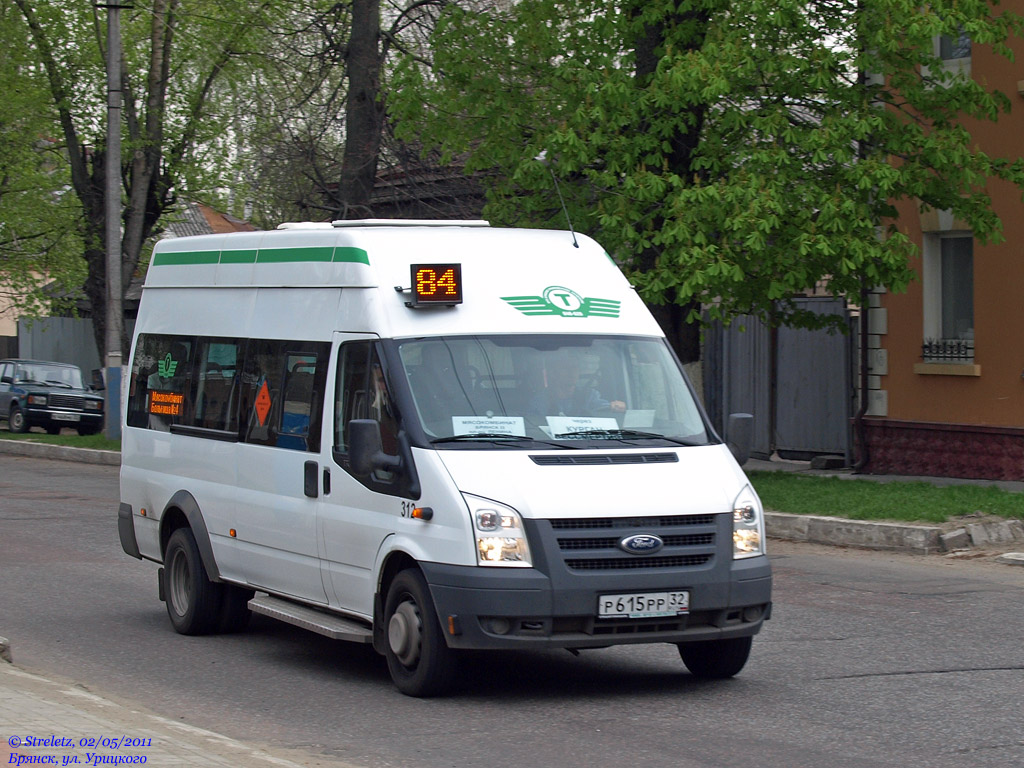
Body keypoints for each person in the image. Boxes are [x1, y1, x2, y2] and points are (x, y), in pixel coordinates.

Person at [531, 356, 625, 417]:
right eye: (565, 368)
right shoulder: (541, 399)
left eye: (575, 367)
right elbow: (534, 422)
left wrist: (616, 407)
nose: (572, 372)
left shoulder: (589, 395)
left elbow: (603, 407)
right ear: (553, 373)